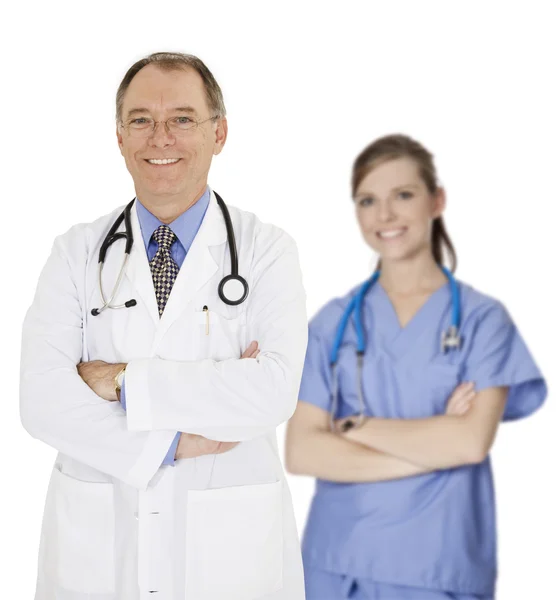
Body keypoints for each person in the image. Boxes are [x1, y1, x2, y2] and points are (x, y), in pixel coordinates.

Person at [20, 52, 308, 600]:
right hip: (98, 555)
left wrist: (120, 379)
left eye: (181, 118)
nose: (160, 138)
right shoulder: (75, 253)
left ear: (218, 133)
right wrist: (174, 441)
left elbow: (271, 394)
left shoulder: (266, 251)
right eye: (141, 120)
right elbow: (41, 399)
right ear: (120, 137)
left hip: (231, 556)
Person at [285, 134, 547, 600]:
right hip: (338, 565)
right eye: (368, 200)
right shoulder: (333, 323)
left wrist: (353, 426)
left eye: (403, 195)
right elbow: (303, 452)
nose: (384, 215)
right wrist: (431, 445)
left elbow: (467, 443)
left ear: (436, 200)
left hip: (441, 565)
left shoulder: (483, 320)